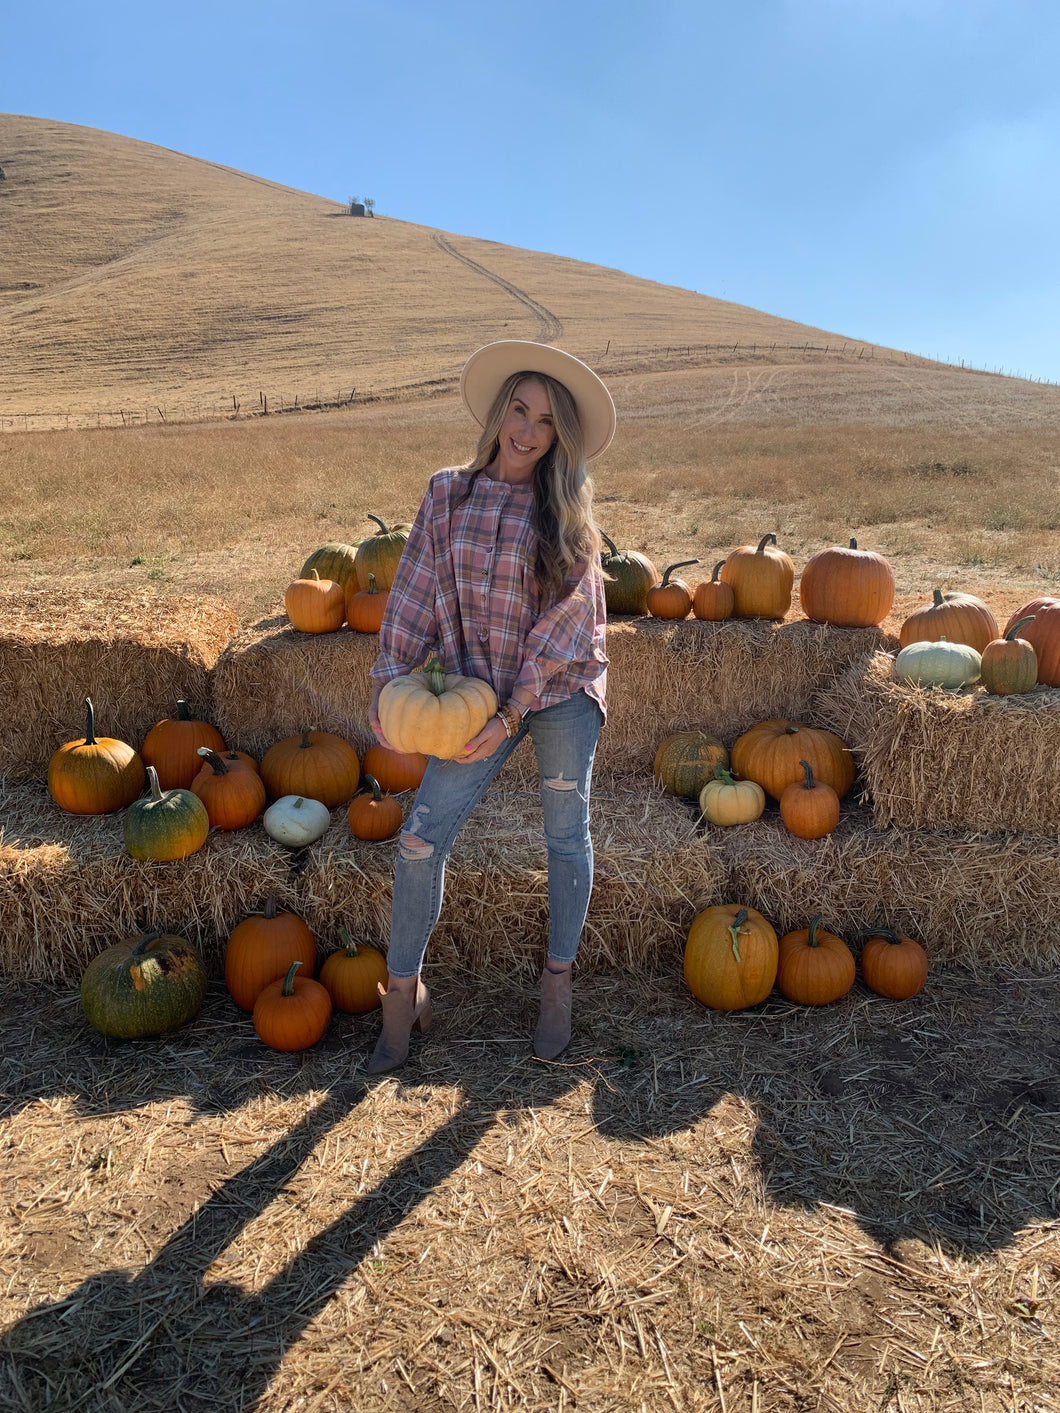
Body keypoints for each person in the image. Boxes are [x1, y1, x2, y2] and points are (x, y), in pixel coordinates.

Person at [366, 340, 616, 1073]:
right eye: (519, 409)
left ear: (559, 436)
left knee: (566, 829)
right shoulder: (447, 492)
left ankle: (557, 982)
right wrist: (389, 685)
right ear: (500, 412)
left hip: (558, 684)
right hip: (476, 685)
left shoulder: (567, 515)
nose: (528, 430)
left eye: (545, 420)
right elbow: (412, 595)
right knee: (421, 834)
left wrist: (511, 715)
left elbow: (569, 621)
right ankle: (403, 994)